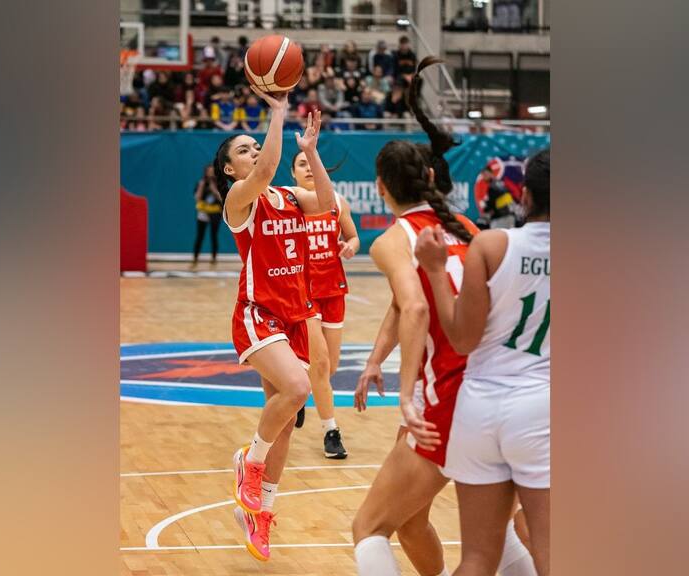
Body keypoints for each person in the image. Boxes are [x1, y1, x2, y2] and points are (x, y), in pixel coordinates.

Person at [352, 57, 537, 576]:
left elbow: (413, 306)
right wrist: (373, 360)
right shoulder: (470, 230)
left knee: (368, 528)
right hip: (499, 391)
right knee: (453, 532)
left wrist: (408, 393)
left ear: (382, 188)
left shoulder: (394, 239)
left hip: (450, 396)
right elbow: (406, 303)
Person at [414, 149, 550, 576]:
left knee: (476, 558)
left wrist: (436, 272)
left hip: (479, 409)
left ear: (524, 196)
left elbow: (462, 338)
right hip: (542, 408)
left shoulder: (491, 244)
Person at [214, 98, 334, 562]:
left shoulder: (288, 197)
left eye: (252, 147)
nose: (251, 154)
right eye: (243, 151)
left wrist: (312, 151)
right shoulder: (239, 200)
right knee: (299, 387)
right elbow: (263, 173)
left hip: (294, 315)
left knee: (284, 422)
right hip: (257, 311)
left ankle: (261, 512)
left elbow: (325, 203)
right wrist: (278, 113)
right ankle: (250, 460)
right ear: (230, 170)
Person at [290, 150, 359, 458]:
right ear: (292, 174)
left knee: (330, 366)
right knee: (318, 364)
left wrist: (350, 246)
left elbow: (354, 236)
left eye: (310, 163)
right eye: (301, 164)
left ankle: (300, 394)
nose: (307, 168)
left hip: (333, 289)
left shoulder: (336, 201)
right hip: (305, 292)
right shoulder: (289, 204)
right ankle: (331, 432)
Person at [192, 165, 223, 266]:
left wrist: (214, 189)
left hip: (215, 212)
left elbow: (222, 199)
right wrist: (201, 187)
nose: (210, 173)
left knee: (214, 236)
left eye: (212, 171)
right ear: (205, 172)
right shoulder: (201, 183)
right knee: (200, 236)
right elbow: (197, 198)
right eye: (208, 171)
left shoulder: (219, 183)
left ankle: (214, 259)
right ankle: (195, 258)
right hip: (203, 212)